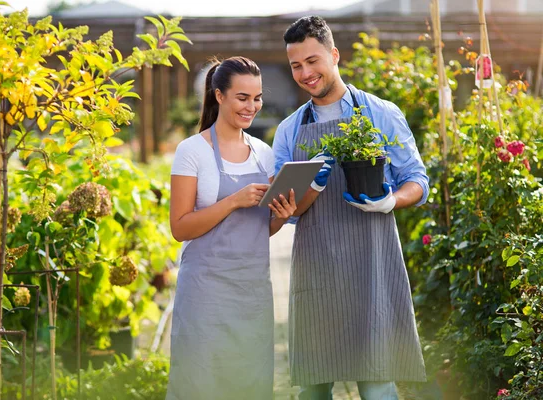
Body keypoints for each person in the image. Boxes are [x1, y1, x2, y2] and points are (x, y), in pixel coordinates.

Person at [272, 16, 429, 400]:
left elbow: (418, 181)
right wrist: (309, 186)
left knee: (377, 387)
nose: (306, 73)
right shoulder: (290, 130)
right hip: (317, 272)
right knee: (313, 389)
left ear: (335, 55)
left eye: (313, 60)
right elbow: (282, 210)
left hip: (372, 267)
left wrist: (391, 200)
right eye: (296, 65)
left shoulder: (380, 113)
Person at [166, 56, 296, 400]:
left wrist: (281, 216)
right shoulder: (192, 151)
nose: (251, 106)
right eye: (242, 97)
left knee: (250, 384)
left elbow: (259, 229)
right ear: (219, 95)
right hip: (205, 293)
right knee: (200, 382)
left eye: (257, 98)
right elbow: (180, 228)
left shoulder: (264, 154)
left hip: (252, 292)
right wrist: (233, 201)